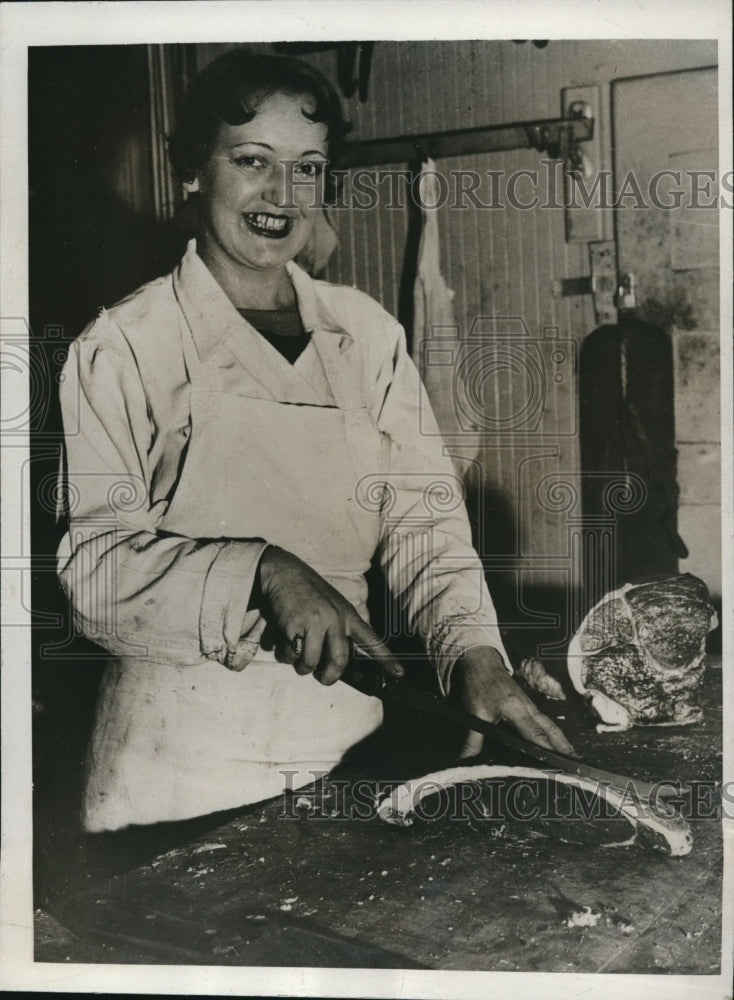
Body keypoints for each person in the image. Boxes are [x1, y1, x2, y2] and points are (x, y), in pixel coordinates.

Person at [57, 49, 572, 833]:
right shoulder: (125, 343)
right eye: (251, 161)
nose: (280, 195)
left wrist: (473, 652)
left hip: (348, 745)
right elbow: (92, 575)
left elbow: (423, 520)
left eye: (307, 167)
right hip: (179, 769)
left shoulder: (365, 334)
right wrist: (260, 572)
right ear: (193, 171)